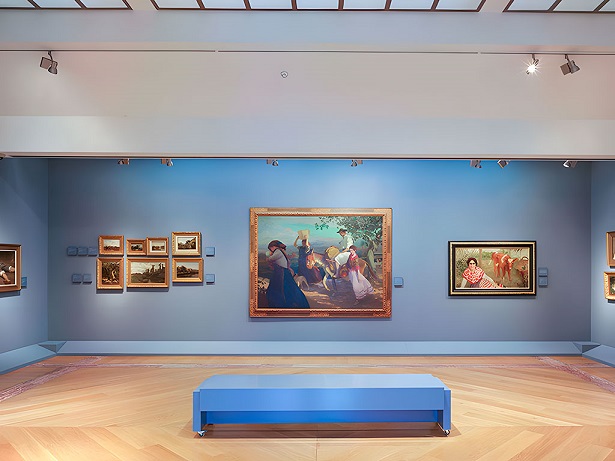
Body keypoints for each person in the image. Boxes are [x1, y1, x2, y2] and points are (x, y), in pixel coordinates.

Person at [266, 240, 310, 308]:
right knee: (289, 288)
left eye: (270, 248)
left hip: (282, 272)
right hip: (283, 272)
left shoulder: (277, 251)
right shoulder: (280, 251)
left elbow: (271, 259)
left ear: (273, 246)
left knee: (284, 288)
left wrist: (268, 257)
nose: (271, 250)